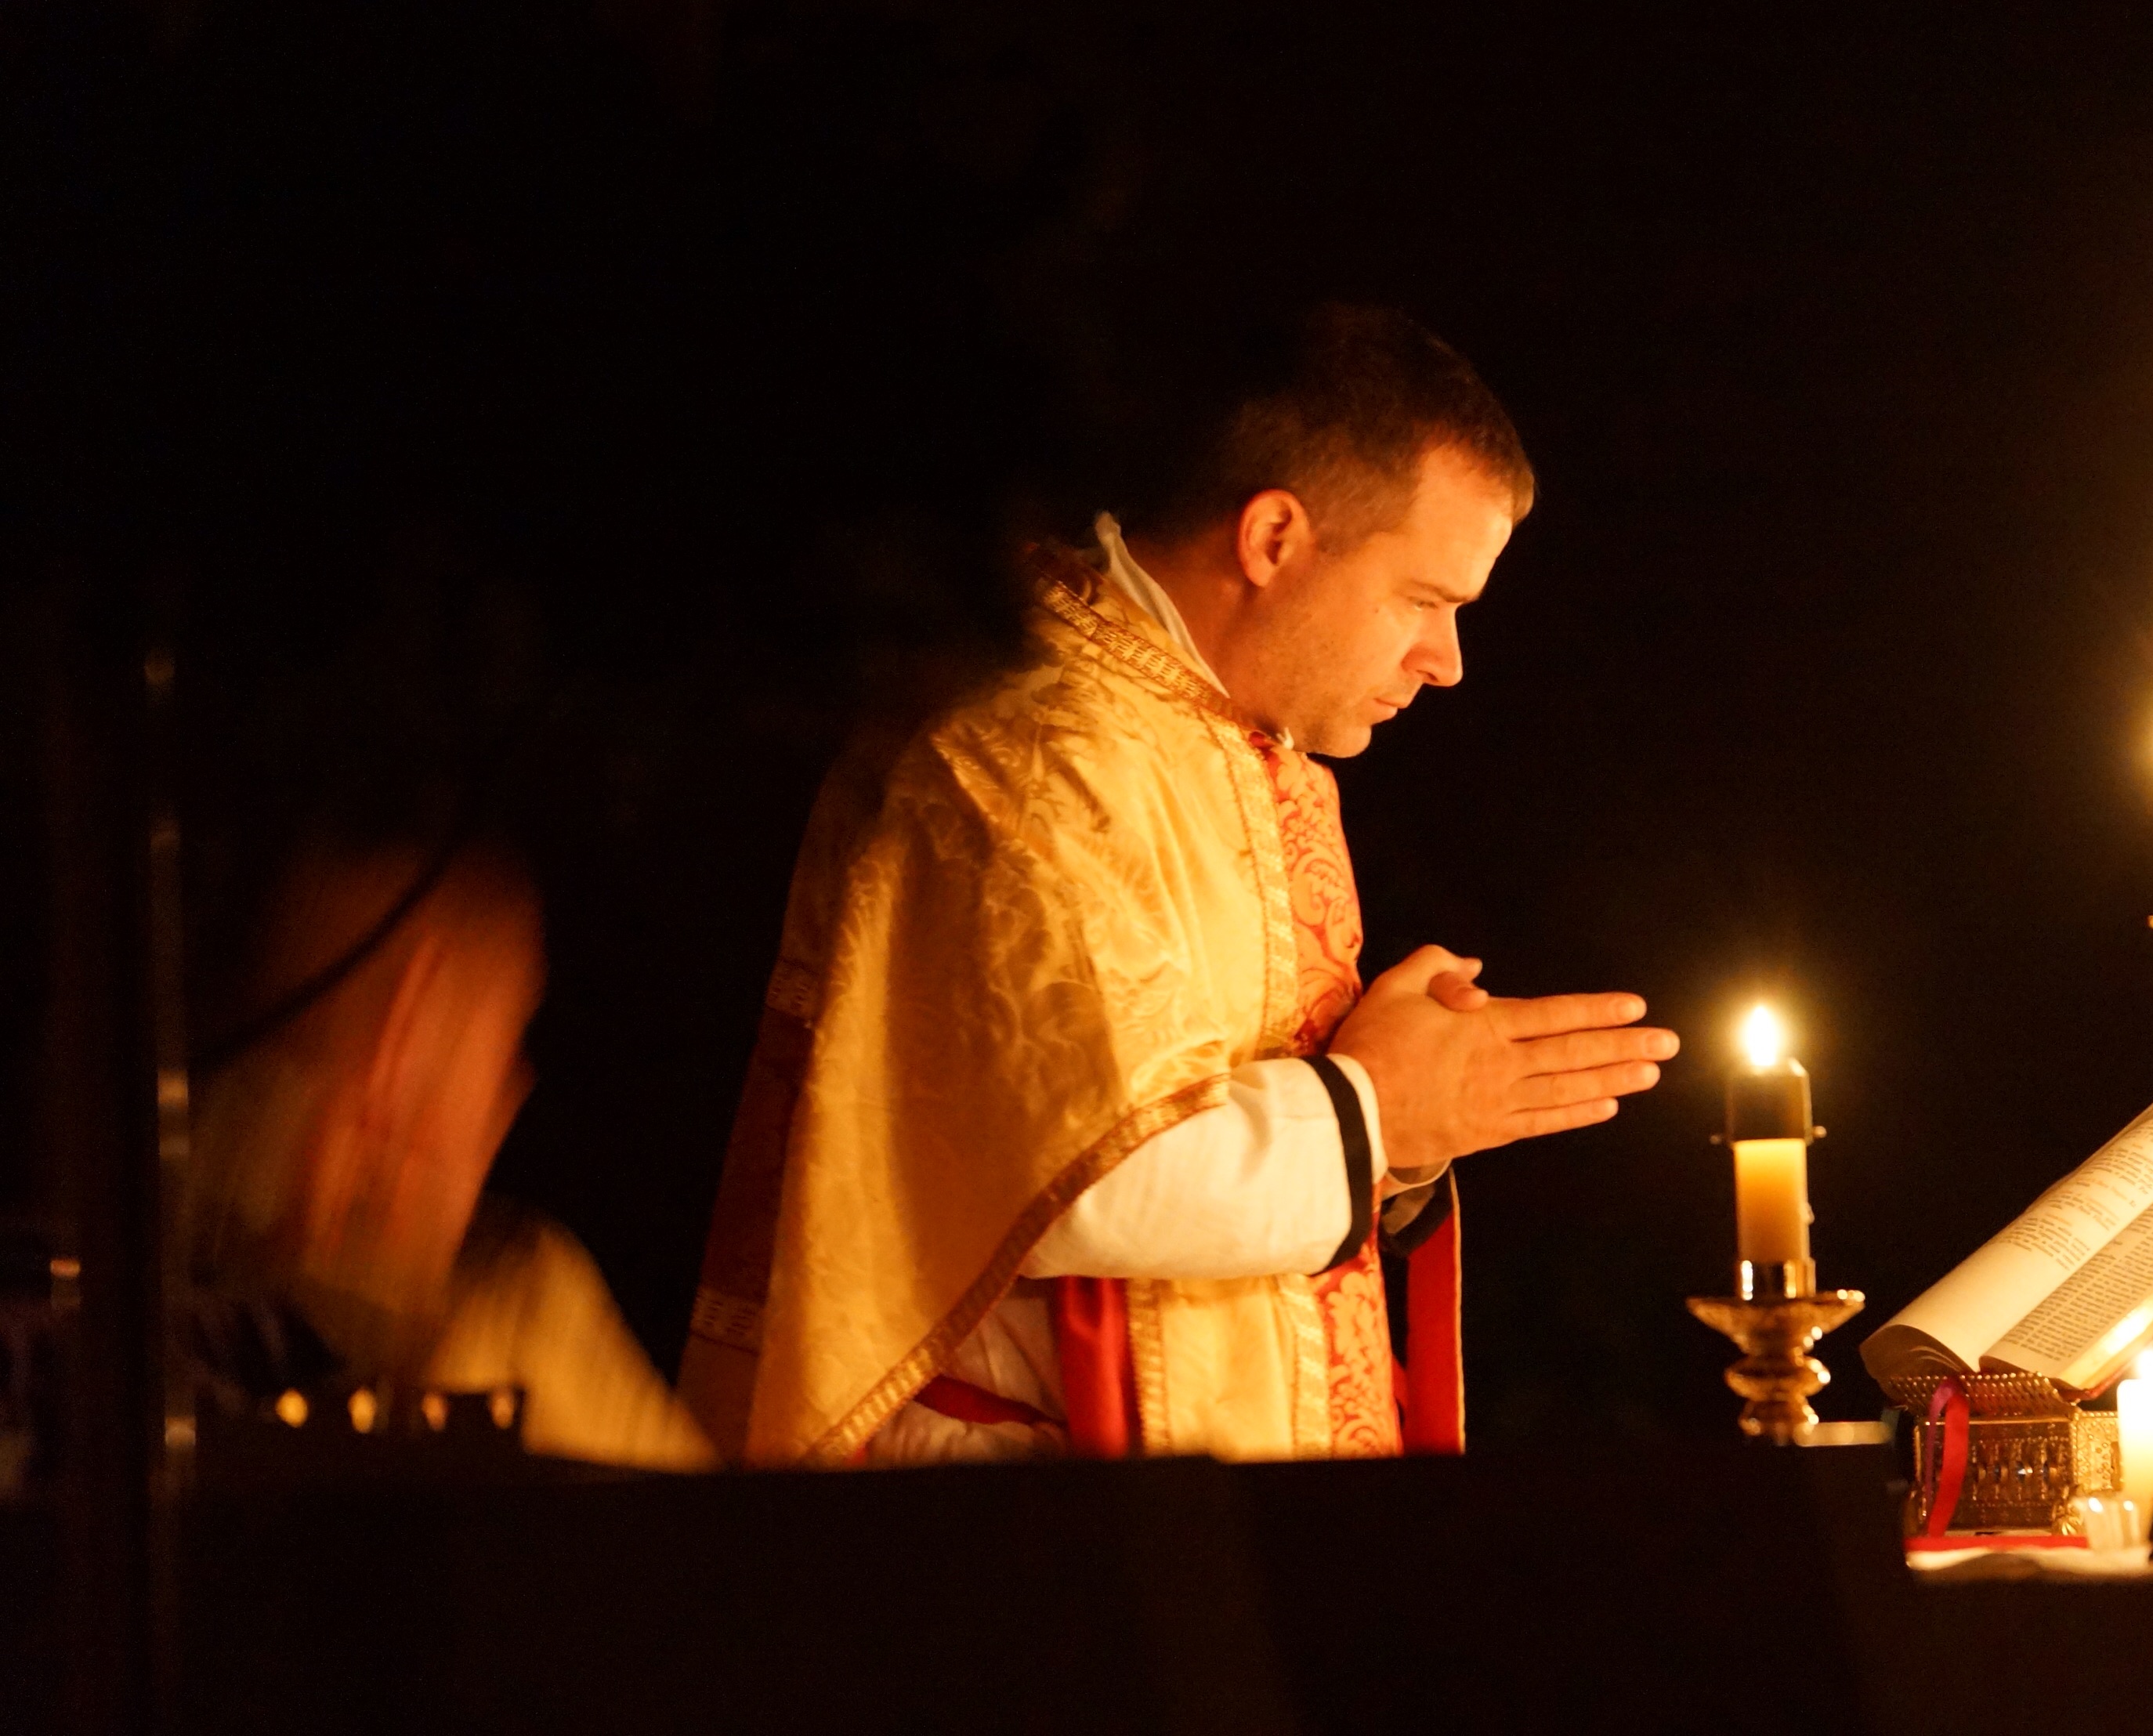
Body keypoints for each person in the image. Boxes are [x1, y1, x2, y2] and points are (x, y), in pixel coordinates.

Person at [682, 306, 1677, 1467]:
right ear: (1273, 537)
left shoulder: (1209, 728)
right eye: (1425, 599)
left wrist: (1403, 1126)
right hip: (1005, 1513)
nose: (1445, 662)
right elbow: (1078, 1176)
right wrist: (1376, 1112)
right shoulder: (1031, 739)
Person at [188, 839, 716, 1470]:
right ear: (406, 1029)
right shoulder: (509, 1319)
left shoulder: (128, 1247)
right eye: (505, 1037)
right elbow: (728, 1530)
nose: (513, 1093)